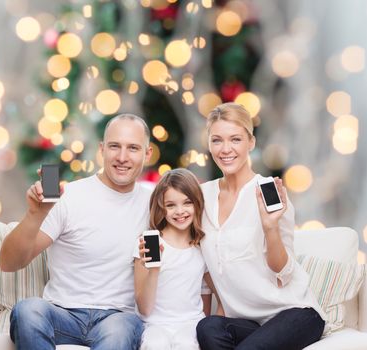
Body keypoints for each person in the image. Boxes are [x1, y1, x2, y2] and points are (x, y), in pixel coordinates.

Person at [0, 114, 153, 350]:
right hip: (62, 314)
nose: (122, 157)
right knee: (27, 310)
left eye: (133, 148)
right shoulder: (71, 197)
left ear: (147, 153)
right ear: (102, 149)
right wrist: (35, 214)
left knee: (120, 331)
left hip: (117, 318)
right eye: (114, 146)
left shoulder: (156, 204)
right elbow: (8, 262)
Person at [196, 102, 326, 350]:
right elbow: (205, 265)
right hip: (248, 323)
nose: (225, 149)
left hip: (294, 313)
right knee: (208, 327)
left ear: (251, 143)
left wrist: (270, 227)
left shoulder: (268, 192)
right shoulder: (202, 196)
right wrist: (222, 304)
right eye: (217, 140)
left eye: (235, 139)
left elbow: (283, 274)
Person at [134, 168, 223, 350]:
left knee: (186, 345)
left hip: (190, 324)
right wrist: (154, 269)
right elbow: (144, 309)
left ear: (197, 204)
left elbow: (214, 293)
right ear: (161, 207)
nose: (180, 211)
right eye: (171, 205)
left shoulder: (201, 246)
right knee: (155, 344)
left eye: (187, 202)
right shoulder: (147, 244)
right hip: (154, 325)